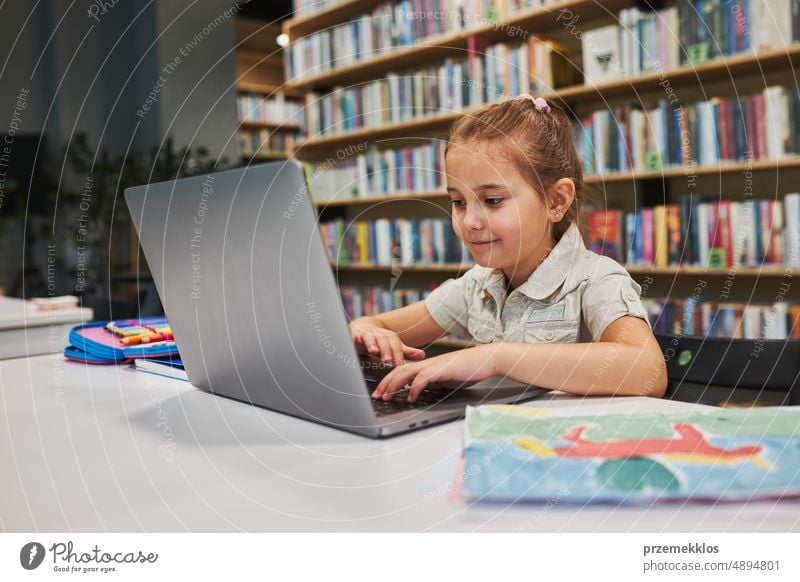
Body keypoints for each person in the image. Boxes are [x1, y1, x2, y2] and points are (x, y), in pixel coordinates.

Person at [348, 94, 667, 402]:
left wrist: (498, 358)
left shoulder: (596, 279)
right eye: (458, 202)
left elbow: (647, 369)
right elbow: (376, 325)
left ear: (555, 201)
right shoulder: (477, 286)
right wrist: (366, 330)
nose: (469, 222)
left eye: (492, 201)